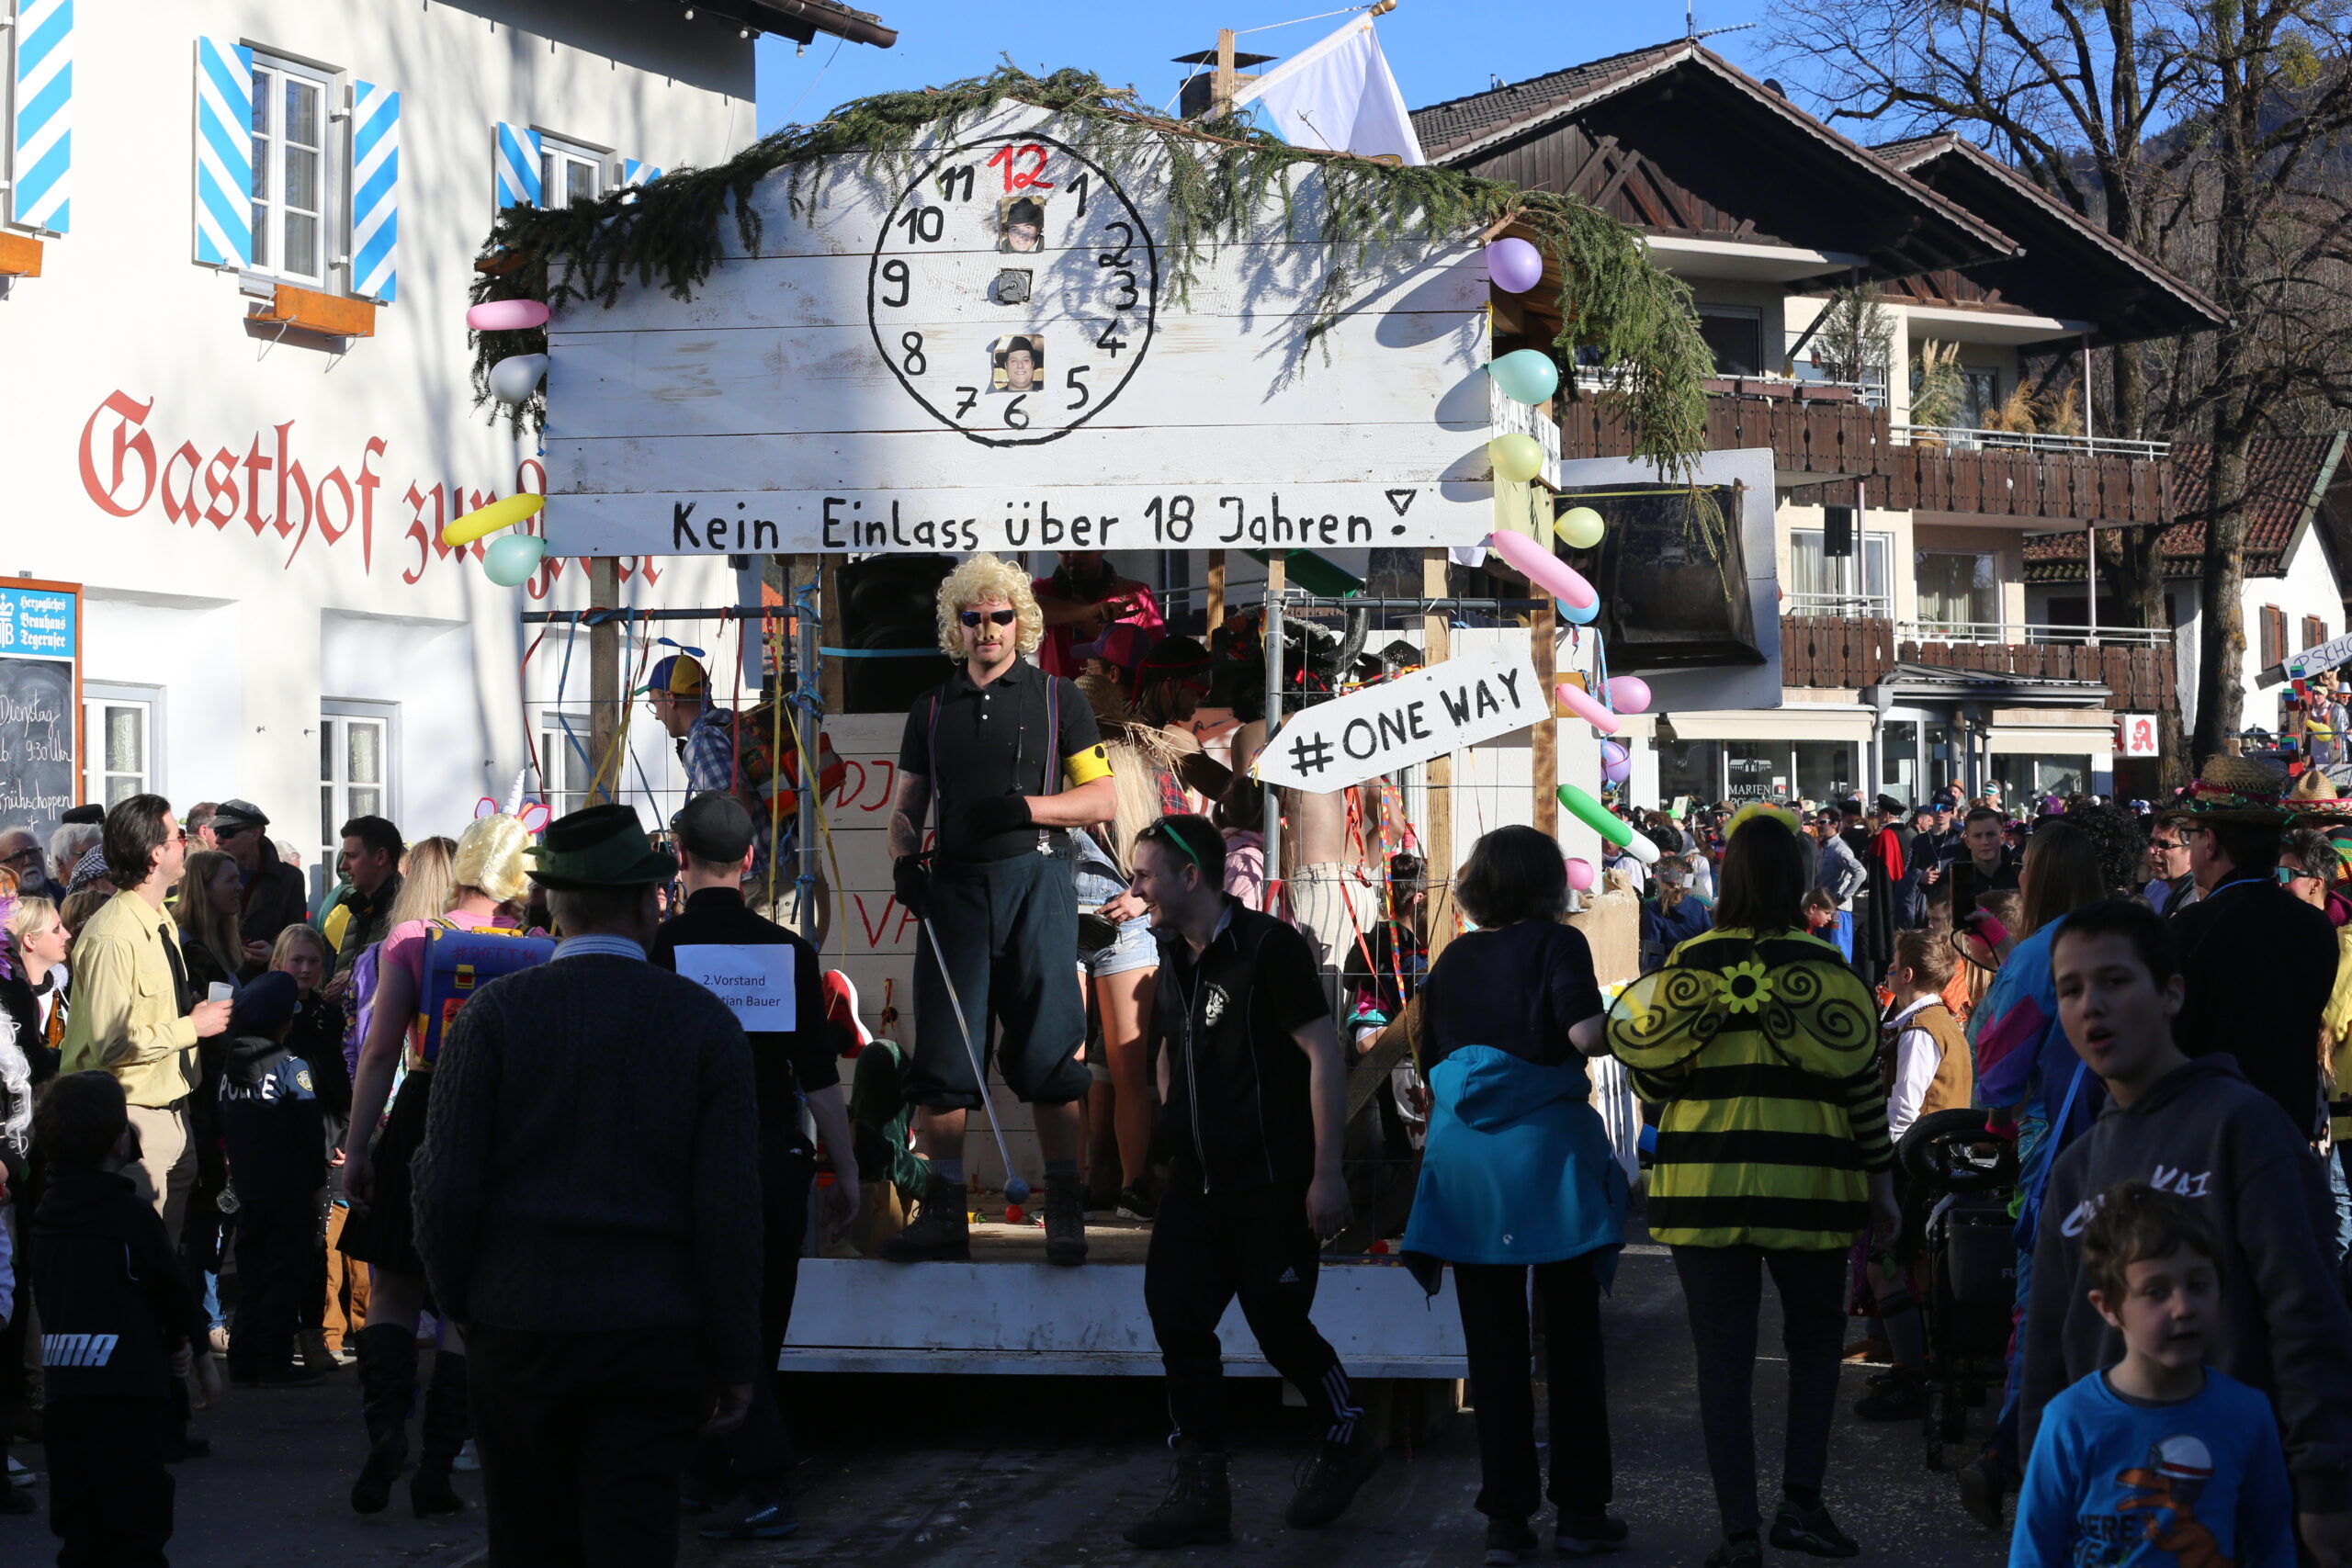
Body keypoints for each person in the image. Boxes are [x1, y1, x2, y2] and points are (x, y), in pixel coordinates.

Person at [413, 804, 761, 1568]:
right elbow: (730, 1211)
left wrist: (465, 1301)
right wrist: (736, 1355)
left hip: (517, 1325)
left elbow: (442, 1186)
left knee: (527, 1541)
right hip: (650, 1330)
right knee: (632, 1539)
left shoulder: (491, 1017)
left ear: (552, 905)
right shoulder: (705, 1024)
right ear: (646, 903)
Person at [1606, 803, 1898, 1567]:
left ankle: (1738, 1531)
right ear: (1798, 881)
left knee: (1722, 1361)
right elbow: (1862, 1088)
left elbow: (1652, 1080)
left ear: (1728, 877)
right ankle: (1801, 1505)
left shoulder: (1688, 962)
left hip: (1704, 1188)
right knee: (1815, 1348)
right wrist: (1883, 1186)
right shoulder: (1829, 970)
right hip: (1814, 1186)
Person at [2022, 900, 2352, 1565]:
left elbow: (2307, 1316)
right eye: (2071, 989)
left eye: (2115, 980)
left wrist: (2324, 1489)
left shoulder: (2245, 1128)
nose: (2091, 1006)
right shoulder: (2077, 1167)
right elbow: (2050, 1351)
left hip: (2238, 1512)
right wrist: (2039, 1484)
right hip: (2108, 1523)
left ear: (2171, 992)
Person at [1119, 815, 1377, 1548]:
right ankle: (1202, 1489)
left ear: (1189, 876)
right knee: (1176, 1316)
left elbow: (1323, 1055)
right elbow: (1171, 1054)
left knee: (1279, 1326)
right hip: (1197, 1185)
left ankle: (1347, 1434)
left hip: (1271, 1182)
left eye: (1145, 875)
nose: (1136, 889)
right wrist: (1174, 1133)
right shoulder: (1172, 953)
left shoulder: (1269, 948)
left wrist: (1325, 1173)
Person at [1399, 826, 1624, 1566]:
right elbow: (1586, 1035)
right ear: (1546, 882)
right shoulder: (1560, 944)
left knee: (1494, 1354)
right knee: (1572, 1347)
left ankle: (1505, 1520)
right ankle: (1580, 1513)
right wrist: (1639, 1024)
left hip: (1467, 1170)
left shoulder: (1453, 958)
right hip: (1547, 1166)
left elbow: (1432, 1058)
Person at [883, 554, 1116, 1266]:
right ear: (955, 624)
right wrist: (904, 860)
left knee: (1052, 1049)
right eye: (974, 616)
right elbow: (906, 807)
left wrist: (1026, 808)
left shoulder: (1058, 699)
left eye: (1001, 615)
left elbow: (1102, 798)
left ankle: (1065, 1208)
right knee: (946, 1055)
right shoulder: (931, 707)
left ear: (1023, 620)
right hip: (953, 890)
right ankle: (944, 1210)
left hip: (1037, 884)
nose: (987, 628)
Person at [650, 791, 858, 1542]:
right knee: (762, 1318)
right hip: (773, 1156)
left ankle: (738, 1472)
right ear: (748, 859)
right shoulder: (788, 952)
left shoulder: (661, 949)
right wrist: (846, 1167)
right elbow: (818, 1075)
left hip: (687, 1160)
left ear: (680, 857)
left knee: (704, 1314)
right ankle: (729, 1469)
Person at [340, 817, 531, 1518]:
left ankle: (387, 1432)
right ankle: (439, 1467)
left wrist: (360, 1146)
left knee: (393, 1288)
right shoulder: (536, 947)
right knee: (466, 1303)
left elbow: (379, 1051)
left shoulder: (413, 938)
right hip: (497, 1119)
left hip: (420, 1106)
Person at [2012, 1181, 2293, 1568]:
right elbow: (2034, 1551)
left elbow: (2272, 1544)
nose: (2183, 1307)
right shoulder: (2071, 1420)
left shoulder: (2248, 1414)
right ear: (2109, 1307)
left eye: (2198, 1285)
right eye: (2156, 1291)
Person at [1956, 818, 2109, 1520]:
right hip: (2138, 1139)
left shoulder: (2038, 953)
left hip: (2055, 1148)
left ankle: (2012, 1454)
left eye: (2026, 866)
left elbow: (1997, 1063)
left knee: (2041, 1302)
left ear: (2039, 877)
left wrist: (1997, 1120)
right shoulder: (2128, 939)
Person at [28, 1071, 212, 1567]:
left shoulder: (45, 1217)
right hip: (130, 1394)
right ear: (119, 1142)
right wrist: (198, 1358)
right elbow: (170, 1292)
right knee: (136, 1525)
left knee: (79, 1525)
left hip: (66, 1394)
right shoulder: (130, 1216)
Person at [59, 795, 232, 1245]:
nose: (186, 843)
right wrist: (191, 1027)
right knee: (129, 1262)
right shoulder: (113, 935)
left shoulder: (159, 918)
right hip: (130, 1122)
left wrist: (189, 1008)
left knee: (159, 1260)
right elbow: (111, 1042)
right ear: (156, 853)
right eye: (179, 835)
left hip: (172, 1112)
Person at [2165, 758, 2340, 1143]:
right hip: (2289, 1125)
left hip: (2211, 1129)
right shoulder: (2315, 926)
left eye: (2191, 836)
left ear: (2210, 842)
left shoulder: (2192, 928)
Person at [1853, 931, 1973, 1423]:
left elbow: (1903, 1113)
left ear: (1905, 974)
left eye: (1892, 966)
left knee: (1885, 1268)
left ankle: (1910, 1376)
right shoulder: (1938, 1021)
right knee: (1914, 1271)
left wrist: (1872, 1157)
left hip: (1915, 1166)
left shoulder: (1922, 1030)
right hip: (1936, 1162)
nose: (1887, 973)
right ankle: (1916, 1364)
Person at [216, 971, 329, 1389]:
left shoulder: (229, 1070)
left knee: (252, 1276)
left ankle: (243, 1361)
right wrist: (317, 1183)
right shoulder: (290, 1068)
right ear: (285, 1021)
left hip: (249, 1191)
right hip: (290, 1192)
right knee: (285, 1275)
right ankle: (275, 1363)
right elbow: (309, 1132)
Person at [269, 922, 354, 1370]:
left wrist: (344, 1136)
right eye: (297, 960)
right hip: (276, 1142)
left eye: (313, 961)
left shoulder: (329, 1015)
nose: (305, 968)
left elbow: (341, 1083)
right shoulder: (264, 1011)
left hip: (322, 1142)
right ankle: (276, 1336)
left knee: (317, 1245)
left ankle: (314, 1333)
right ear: (279, 961)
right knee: (276, 1244)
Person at [206, 799, 307, 968]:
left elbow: (297, 935)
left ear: (255, 833)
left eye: (227, 832)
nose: (218, 840)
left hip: (266, 976)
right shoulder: (208, 873)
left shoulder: (290, 878)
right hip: (218, 974)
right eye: (217, 831)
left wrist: (275, 953)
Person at [1035, 549, 1160, 680]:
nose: (1073, 555)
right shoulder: (1042, 591)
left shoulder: (1137, 596)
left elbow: (1155, 659)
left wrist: (1103, 634)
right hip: (1057, 691)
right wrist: (1085, 612)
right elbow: (1029, 609)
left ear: (1103, 548)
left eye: (1084, 548)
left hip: (1114, 692)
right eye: (1064, 549)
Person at [327, 815, 404, 999]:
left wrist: (354, 979)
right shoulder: (358, 906)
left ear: (381, 857)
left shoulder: (406, 910)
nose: (343, 866)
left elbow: (401, 980)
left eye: (352, 856)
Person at [2144, 818, 2195, 914]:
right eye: (2151, 842)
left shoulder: (2197, 899)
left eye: (2164, 845)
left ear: (2191, 850)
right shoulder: (2153, 887)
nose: (2151, 851)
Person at [0, 828, 59, 904]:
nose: (28, 861)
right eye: (17, 857)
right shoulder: (3, 909)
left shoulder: (65, 899)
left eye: (32, 852)